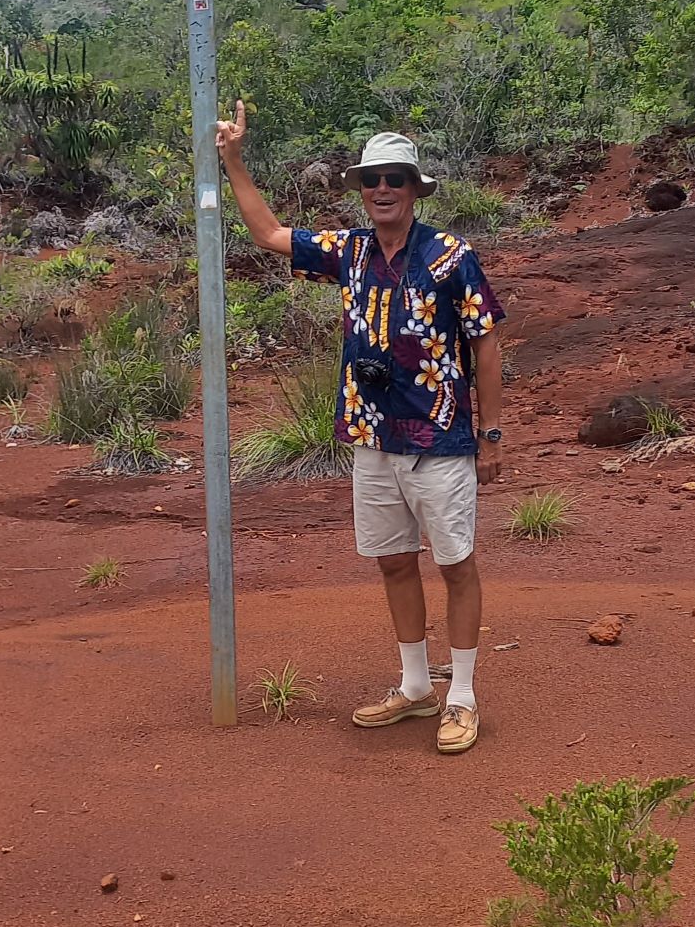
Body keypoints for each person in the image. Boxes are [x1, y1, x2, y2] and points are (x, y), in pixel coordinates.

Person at [216, 106, 506, 754]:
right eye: (372, 179)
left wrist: (491, 435)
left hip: (440, 439)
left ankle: (461, 695)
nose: (381, 189)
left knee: (455, 564)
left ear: (414, 188)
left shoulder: (451, 256)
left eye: (394, 178)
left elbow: (486, 343)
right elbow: (268, 233)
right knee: (394, 561)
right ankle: (415, 686)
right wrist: (233, 160)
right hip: (373, 438)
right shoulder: (349, 251)